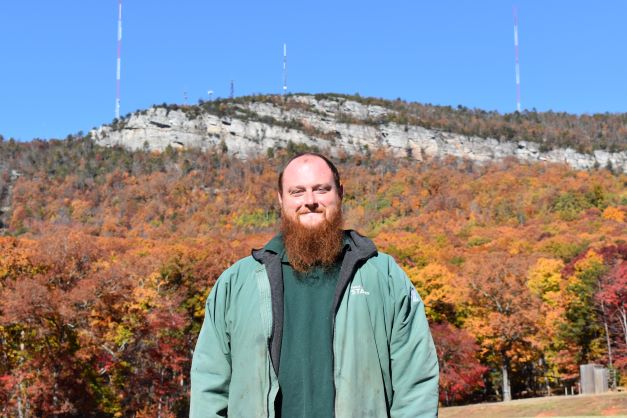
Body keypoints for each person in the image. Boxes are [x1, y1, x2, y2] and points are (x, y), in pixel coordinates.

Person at [190, 153, 439, 418]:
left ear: (340, 193)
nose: (309, 201)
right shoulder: (236, 283)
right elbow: (209, 384)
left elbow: (416, 382)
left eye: (321, 189)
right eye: (297, 192)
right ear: (281, 199)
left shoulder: (383, 276)